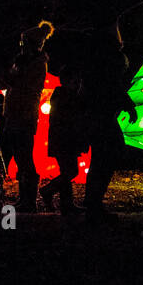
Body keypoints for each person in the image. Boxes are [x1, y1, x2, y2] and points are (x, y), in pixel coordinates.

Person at [80, 25, 138, 224]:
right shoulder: (108, 63)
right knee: (107, 156)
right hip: (103, 117)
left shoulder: (94, 63)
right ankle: (94, 203)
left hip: (98, 116)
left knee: (102, 158)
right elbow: (114, 86)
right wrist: (128, 105)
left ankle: (93, 201)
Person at [0, 21, 54, 212]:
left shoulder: (35, 65)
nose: (21, 46)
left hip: (23, 115)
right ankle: (25, 198)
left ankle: (29, 199)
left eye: (24, 43)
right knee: (21, 157)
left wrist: (11, 75)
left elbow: (20, 85)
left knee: (24, 158)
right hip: (17, 113)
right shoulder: (28, 63)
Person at [42, 66, 94, 215]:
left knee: (67, 171)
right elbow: (70, 121)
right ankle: (48, 190)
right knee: (71, 171)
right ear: (67, 81)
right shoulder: (65, 97)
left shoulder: (63, 96)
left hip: (63, 141)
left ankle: (67, 204)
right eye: (75, 80)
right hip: (64, 141)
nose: (77, 83)